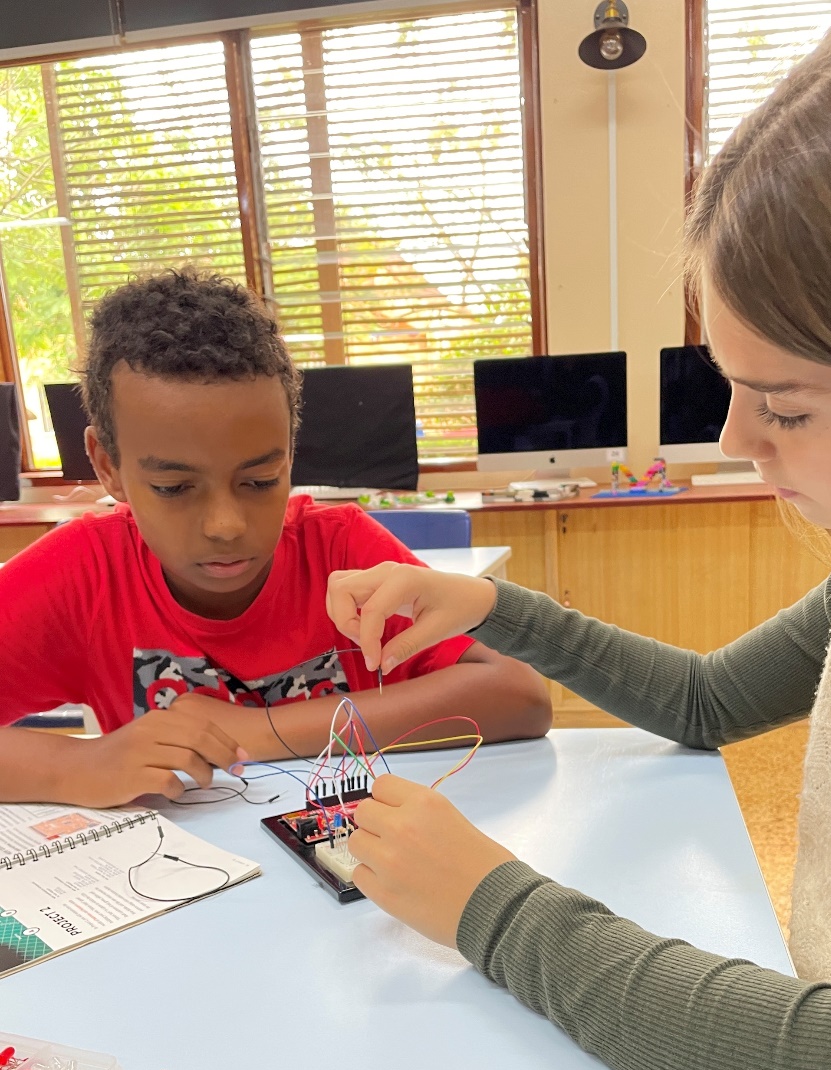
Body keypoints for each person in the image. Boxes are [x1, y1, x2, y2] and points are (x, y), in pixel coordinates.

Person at [326, 3, 831, 1070]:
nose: (740, 435)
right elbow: (704, 701)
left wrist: (497, 909)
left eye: (787, 402)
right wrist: (485, 603)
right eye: (732, 383)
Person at [0, 270, 551, 809]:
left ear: (290, 450)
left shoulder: (340, 552)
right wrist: (75, 765)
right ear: (107, 465)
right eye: (173, 487)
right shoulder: (85, 573)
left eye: (260, 481)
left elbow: (520, 696)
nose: (226, 525)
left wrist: (256, 730)